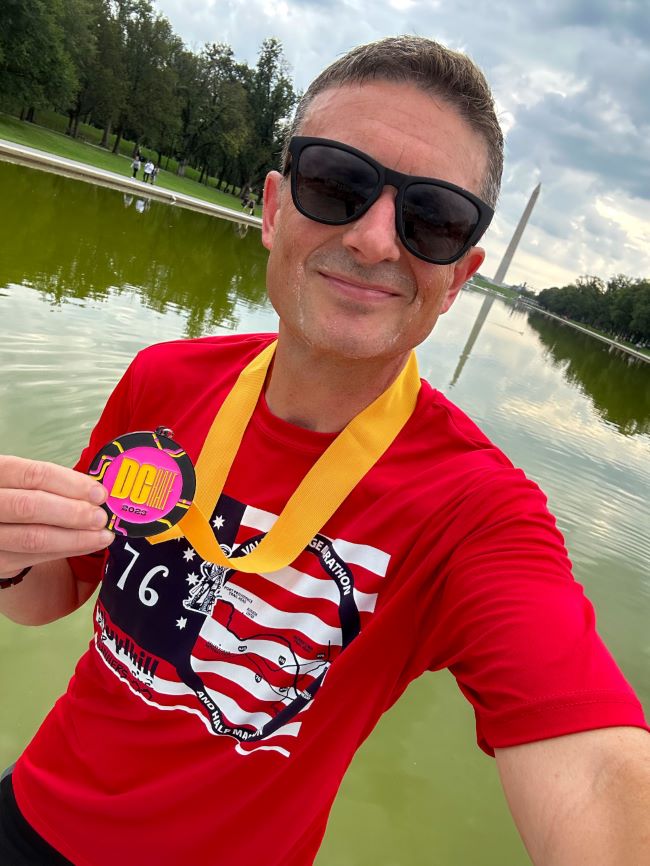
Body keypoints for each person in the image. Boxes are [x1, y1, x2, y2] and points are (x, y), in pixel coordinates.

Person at [0, 35, 648, 866]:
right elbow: (56, 592)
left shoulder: (477, 513)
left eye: (433, 218)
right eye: (337, 183)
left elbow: (594, 765)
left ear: (459, 276)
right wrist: (12, 555)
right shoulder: (161, 380)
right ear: (274, 208)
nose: (378, 239)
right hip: (34, 810)